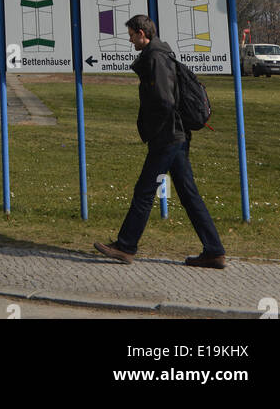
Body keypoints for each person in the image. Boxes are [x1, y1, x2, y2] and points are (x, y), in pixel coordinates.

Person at [93, 14, 226, 268]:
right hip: (174, 137)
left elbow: (164, 101)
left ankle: (126, 246)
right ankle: (214, 250)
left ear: (143, 34)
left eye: (132, 35)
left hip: (167, 138)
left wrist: (153, 131)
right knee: (189, 195)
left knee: (144, 191)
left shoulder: (155, 58)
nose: (130, 39)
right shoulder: (162, 54)